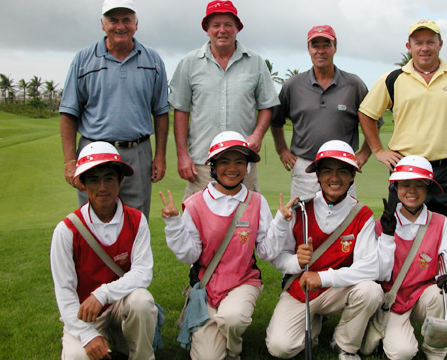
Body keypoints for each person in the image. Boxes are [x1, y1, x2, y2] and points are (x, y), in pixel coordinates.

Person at [160, 131, 292, 360]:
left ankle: (233, 350)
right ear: (213, 166)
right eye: (224, 161)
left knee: (232, 318)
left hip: (243, 280)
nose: (232, 168)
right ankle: (216, 335)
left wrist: (280, 223)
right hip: (207, 285)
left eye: (239, 161)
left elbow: (265, 251)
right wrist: (174, 224)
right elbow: (189, 255)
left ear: (247, 167)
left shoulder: (256, 201)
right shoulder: (195, 204)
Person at [358, 18, 447, 233]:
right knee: (397, 235)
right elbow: (366, 113)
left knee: (445, 233)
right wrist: (378, 150)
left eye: (430, 42)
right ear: (409, 46)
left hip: (446, 169)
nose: (425, 48)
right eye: (418, 43)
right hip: (405, 168)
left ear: (440, 44)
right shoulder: (393, 78)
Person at [265, 140, 394, 360]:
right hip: (302, 288)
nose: (334, 178)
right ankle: (314, 322)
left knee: (370, 291)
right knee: (280, 348)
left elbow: (370, 269)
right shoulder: (300, 208)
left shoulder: (361, 214)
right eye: (327, 171)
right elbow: (277, 257)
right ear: (317, 175)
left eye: (342, 171)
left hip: (337, 289)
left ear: (352, 176)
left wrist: (323, 278)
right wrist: (296, 262)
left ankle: (344, 343)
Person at [59, 0, 170, 219]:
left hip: (137, 152)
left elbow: (160, 112)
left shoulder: (153, 60)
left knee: (135, 220)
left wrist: (160, 156)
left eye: (126, 20)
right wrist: (70, 161)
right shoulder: (83, 60)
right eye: (113, 20)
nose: (120, 26)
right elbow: (69, 113)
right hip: (94, 152)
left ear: (136, 24)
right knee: (93, 221)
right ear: (103, 24)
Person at [50, 141, 158, 360]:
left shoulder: (136, 219)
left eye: (109, 178)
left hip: (120, 306)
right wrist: (88, 335)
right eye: (93, 180)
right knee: (77, 357)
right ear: (83, 184)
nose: (102, 187)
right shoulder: (66, 230)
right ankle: (101, 339)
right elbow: (65, 291)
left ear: (120, 180)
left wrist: (102, 294)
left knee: (142, 300)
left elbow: (143, 273)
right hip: (86, 314)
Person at [168, 0, 279, 201]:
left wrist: (257, 135)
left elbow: (266, 106)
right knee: (198, 220)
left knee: (246, 219)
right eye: (216, 25)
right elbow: (181, 111)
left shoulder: (255, 62)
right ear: (207, 30)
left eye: (228, 25)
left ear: (237, 28)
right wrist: (182, 155)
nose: (222, 30)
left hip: (242, 162)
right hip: (202, 164)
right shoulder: (189, 62)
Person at [271, 24, 383, 199]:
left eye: (326, 45)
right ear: (309, 49)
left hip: (343, 168)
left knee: (345, 216)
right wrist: (282, 150)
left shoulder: (354, 84)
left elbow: (374, 120)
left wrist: (364, 153)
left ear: (335, 48)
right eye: (315, 46)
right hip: (305, 168)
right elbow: (276, 120)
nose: (321, 51)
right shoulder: (293, 85)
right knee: (303, 215)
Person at [372, 155, 447, 360]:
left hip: (423, 297)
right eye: (405, 184)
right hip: (393, 300)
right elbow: (380, 274)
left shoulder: (441, 223)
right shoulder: (382, 224)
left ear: (428, 189)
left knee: (440, 295)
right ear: (395, 188)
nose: (412, 191)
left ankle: (435, 351)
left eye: (420, 185)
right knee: (402, 353)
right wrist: (387, 236)